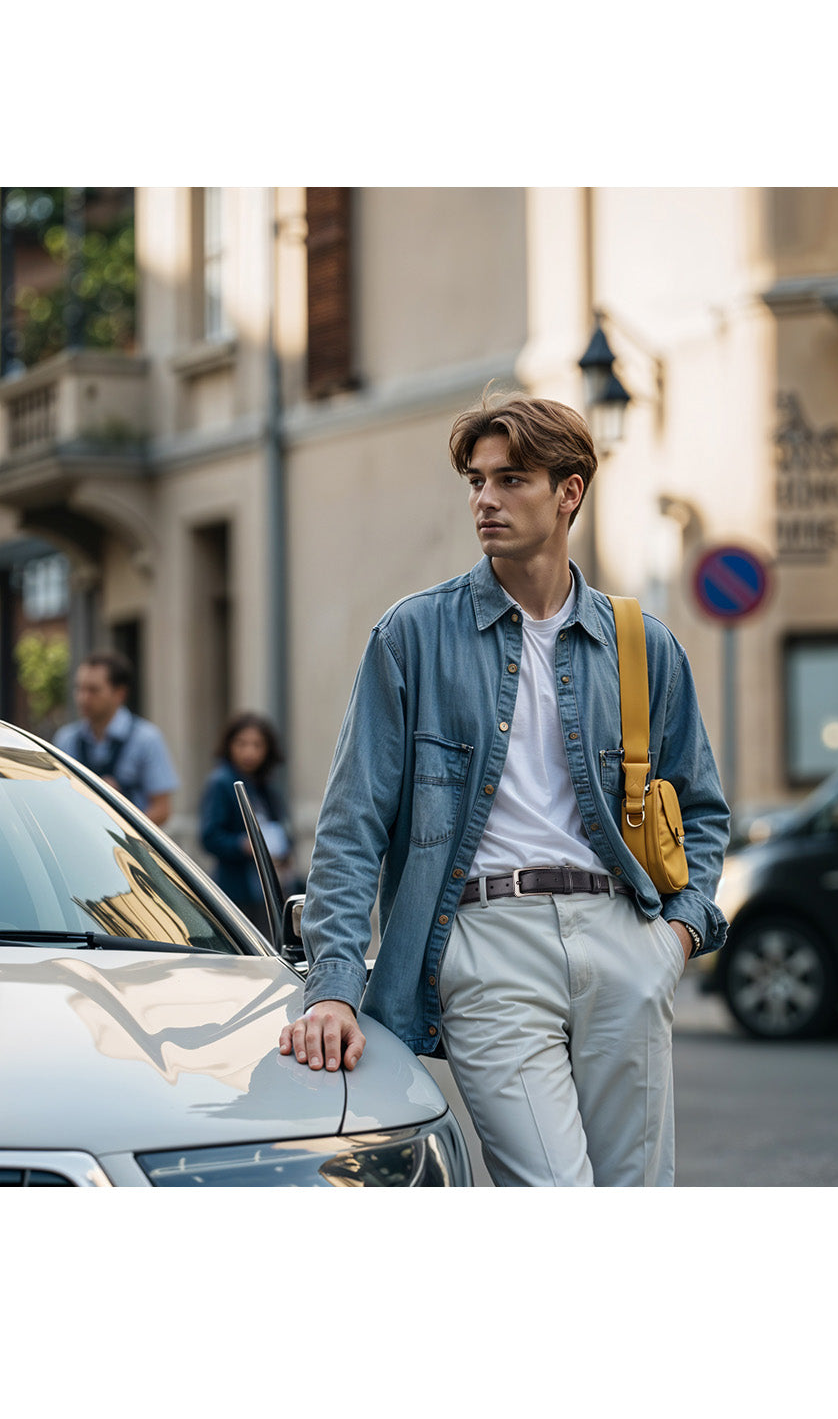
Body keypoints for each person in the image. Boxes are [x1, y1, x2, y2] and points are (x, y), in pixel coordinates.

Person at [279, 391, 730, 1186]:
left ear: (569, 492)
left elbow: (701, 809)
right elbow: (353, 825)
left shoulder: (640, 646)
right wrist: (334, 987)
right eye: (477, 481)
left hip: (623, 937)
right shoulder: (413, 636)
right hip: (485, 943)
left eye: (511, 479)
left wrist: (675, 940)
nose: (485, 500)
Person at [55, 649, 178, 826]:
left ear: (120, 694)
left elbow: (162, 809)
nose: (83, 698)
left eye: (93, 690)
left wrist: (123, 833)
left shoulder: (147, 739)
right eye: (79, 688)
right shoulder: (66, 739)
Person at [199, 711, 294, 930]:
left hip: (270, 889)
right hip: (237, 891)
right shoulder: (221, 782)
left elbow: (282, 829)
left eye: (256, 745)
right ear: (229, 745)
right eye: (241, 743)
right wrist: (244, 846)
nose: (248, 751)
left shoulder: (266, 786)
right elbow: (210, 836)